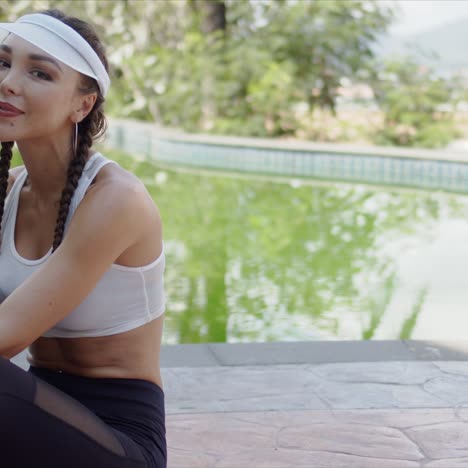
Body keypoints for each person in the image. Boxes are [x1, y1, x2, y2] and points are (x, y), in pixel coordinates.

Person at [0, 9, 167, 468]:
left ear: (82, 104)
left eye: (39, 72)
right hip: (37, 416)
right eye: (2, 63)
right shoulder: (10, 189)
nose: (9, 82)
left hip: (118, 440)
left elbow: (5, 338)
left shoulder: (115, 200)